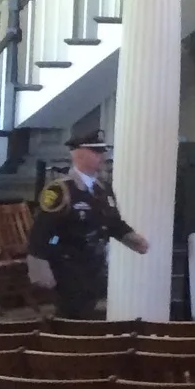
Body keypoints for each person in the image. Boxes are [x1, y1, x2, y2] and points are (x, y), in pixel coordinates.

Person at [26, 137, 149, 320]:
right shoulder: (61, 190)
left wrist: (132, 238)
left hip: (94, 262)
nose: (102, 157)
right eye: (96, 152)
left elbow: (112, 222)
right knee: (72, 312)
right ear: (79, 155)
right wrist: (39, 267)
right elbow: (42, 231)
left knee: (88, 310)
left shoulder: (102, 189)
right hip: (68, 263)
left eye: (102, 152)